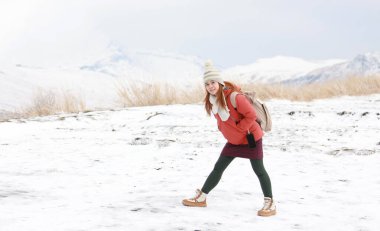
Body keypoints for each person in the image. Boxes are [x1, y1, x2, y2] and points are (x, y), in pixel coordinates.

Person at [182, 60, 276, 217]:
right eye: (207, 84)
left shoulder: (235, 97)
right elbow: (222, 120)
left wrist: (240, 128)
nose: (210, 86)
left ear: (219, 82)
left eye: (213, 82)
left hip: (250, 138)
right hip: (234, 141)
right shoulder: (213, 100)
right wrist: (224, 130)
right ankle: (202, 197)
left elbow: (251, 115)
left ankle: (270, 202)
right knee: (218, 167)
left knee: (259, 170)